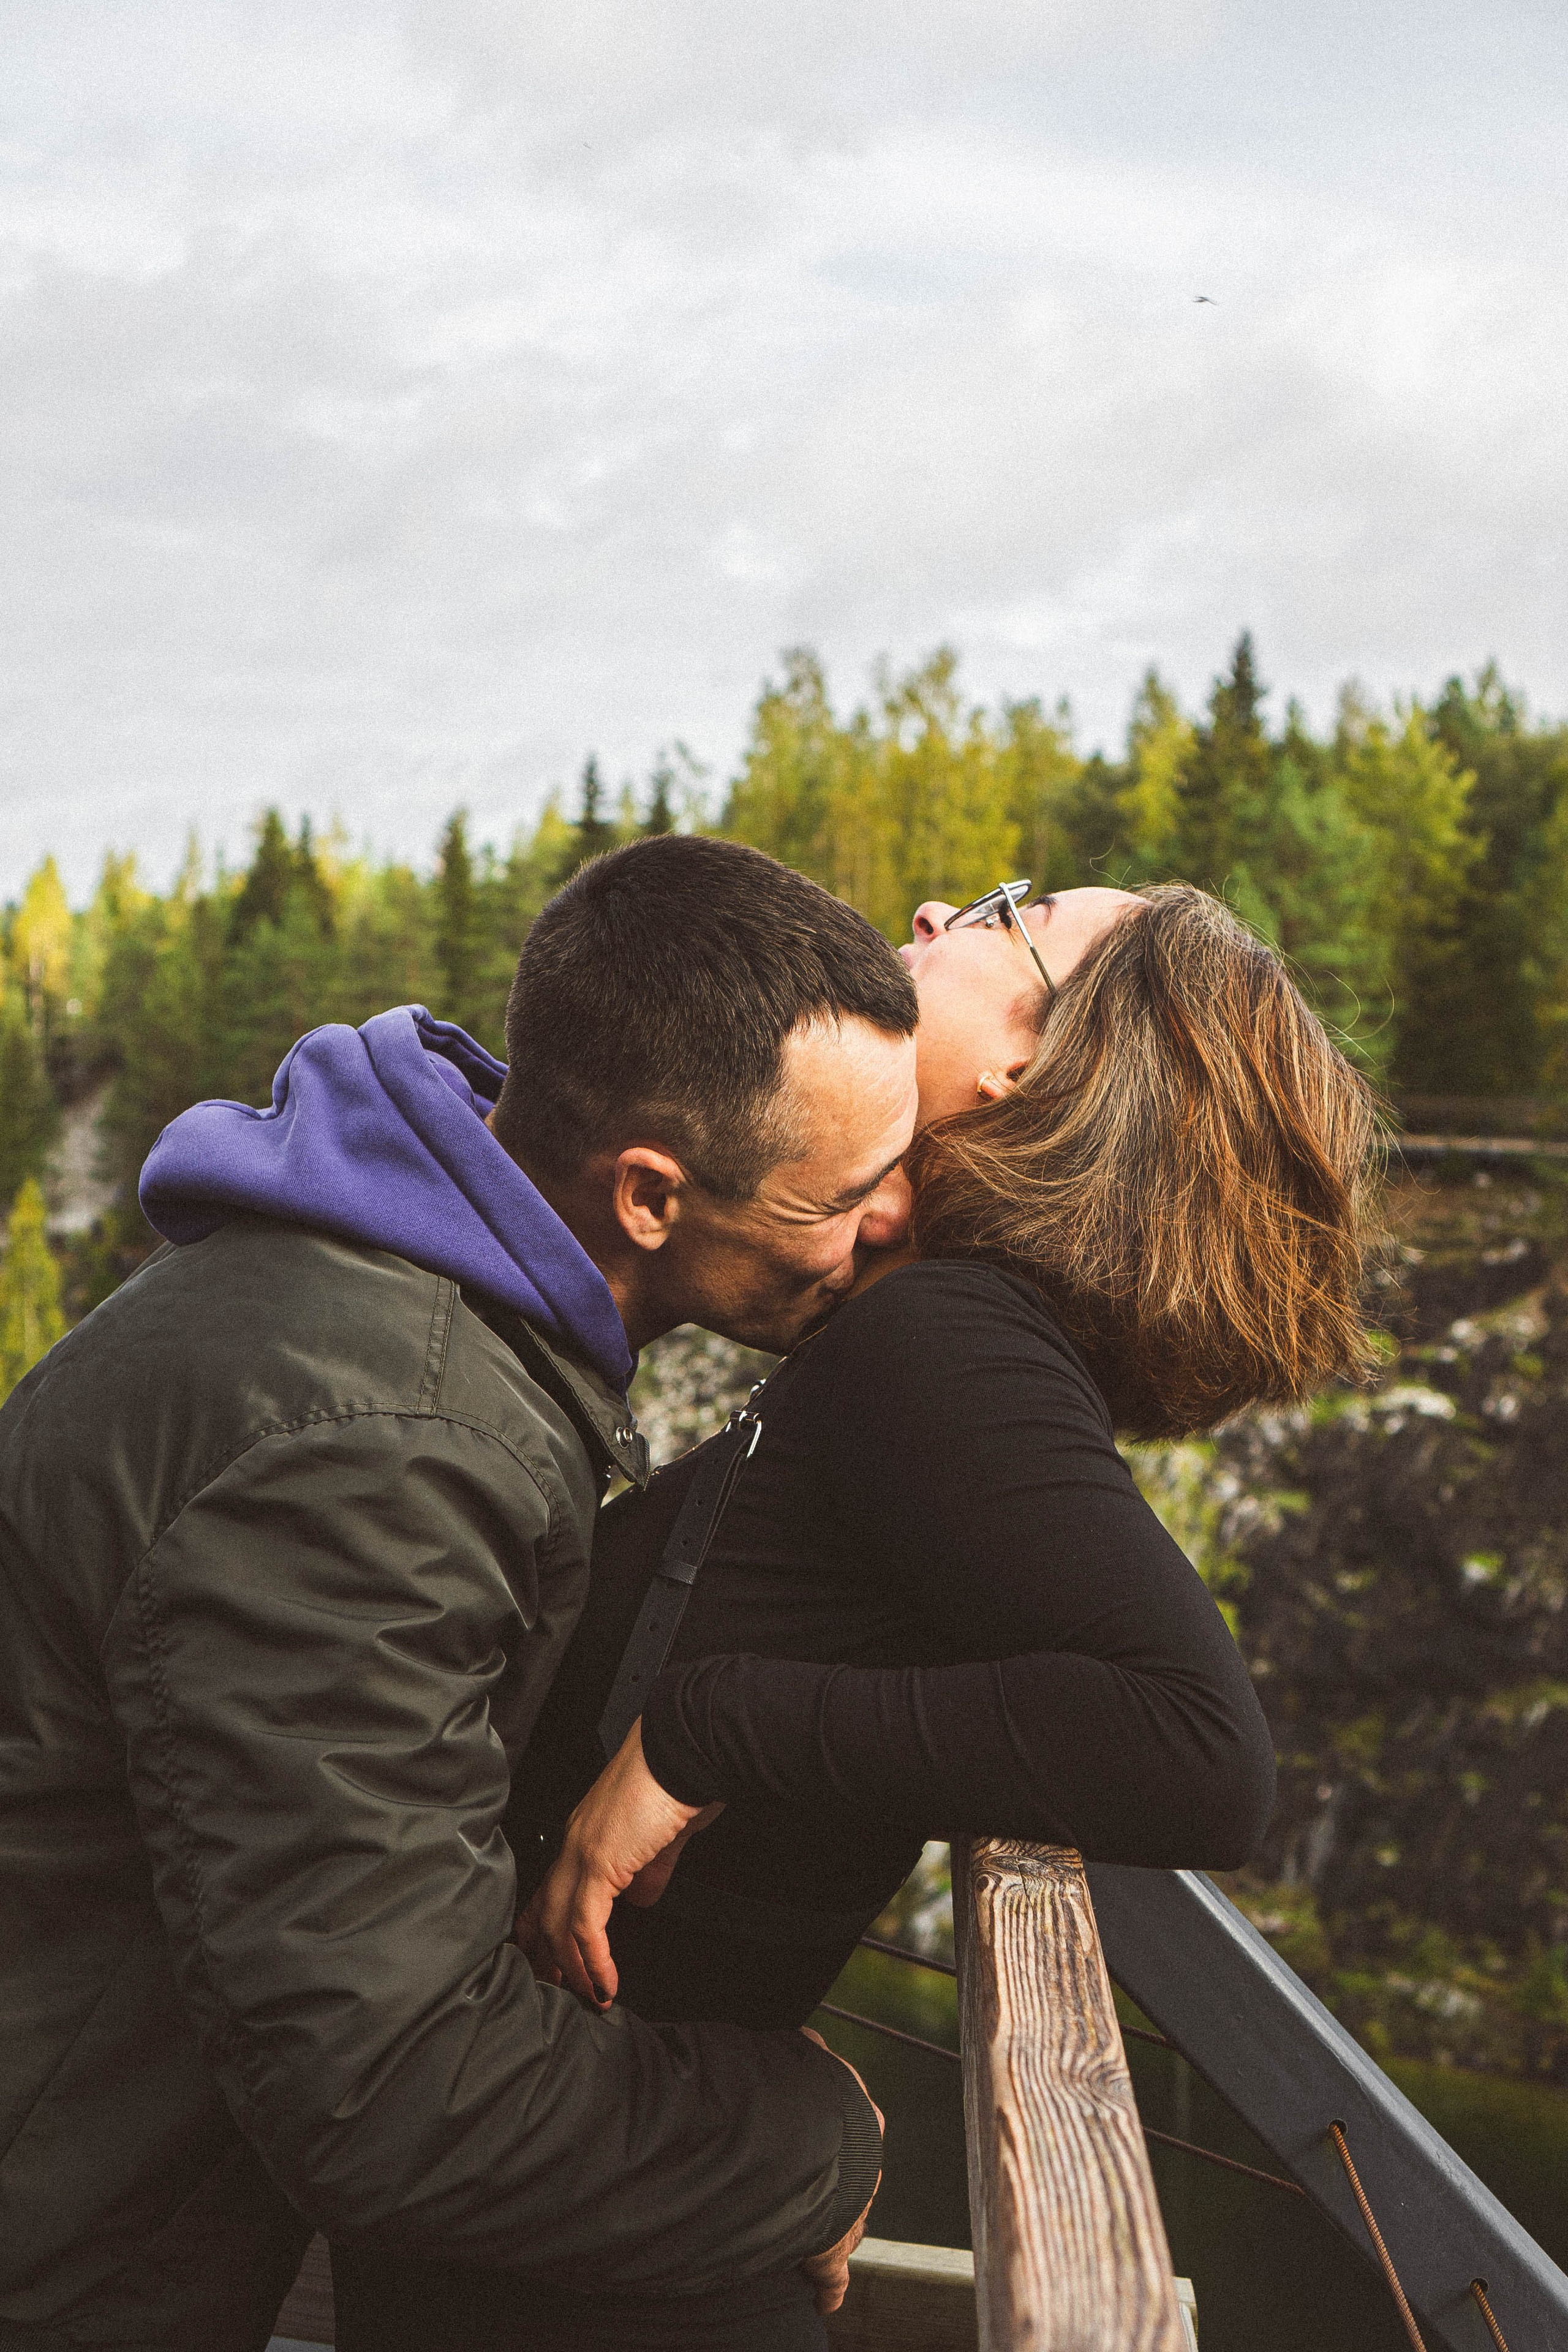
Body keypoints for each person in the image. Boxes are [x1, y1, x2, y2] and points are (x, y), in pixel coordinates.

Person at [0, 835, 922, 2352]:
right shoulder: (377, 1452)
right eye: (850, 1192)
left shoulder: (379, 1308)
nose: (885, 1227)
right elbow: (389, 2087)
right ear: (647, 1196)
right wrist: (806, 2141)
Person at [499, 878, 1379, 2352]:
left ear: (1040, 1065)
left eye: (1006, 912)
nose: (934, 907)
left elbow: (1192, 1751)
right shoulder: (928, 1330)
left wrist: (714, 1731)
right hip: (608, 2196)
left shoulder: (947, 1340)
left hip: (595, 2250)